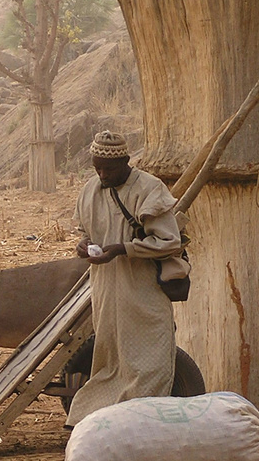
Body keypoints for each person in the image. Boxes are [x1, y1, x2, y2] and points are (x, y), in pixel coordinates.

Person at [65, 130, 182, 429]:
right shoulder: (90, 190)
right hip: (105, 287)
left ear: (127, 162)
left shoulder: (149, 189)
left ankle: (143, 424)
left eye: (109, 169)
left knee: (150, 360)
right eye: (97, 168)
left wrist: (123, 249)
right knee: (110, 358)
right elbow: (87, 232)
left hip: (142, 288)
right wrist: (83, 245)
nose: (102, 175)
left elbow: (170, 242)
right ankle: (98, 422)